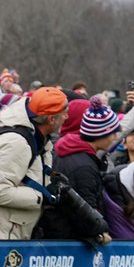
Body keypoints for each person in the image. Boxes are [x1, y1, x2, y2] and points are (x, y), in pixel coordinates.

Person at [0, 87, 69, 241]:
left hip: (9, 231)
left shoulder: (37, 136)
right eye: (64, 113)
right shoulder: (17, 143)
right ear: (51, 119)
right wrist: (42, 197)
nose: (67, 117)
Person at [40, 96, 115, 244]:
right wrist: (98, 231)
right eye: (112, 132)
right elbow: (85, 211)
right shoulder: (83, 165)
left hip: (60, 236)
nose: (116, 137)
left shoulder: (67, 149)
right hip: (69, 243)